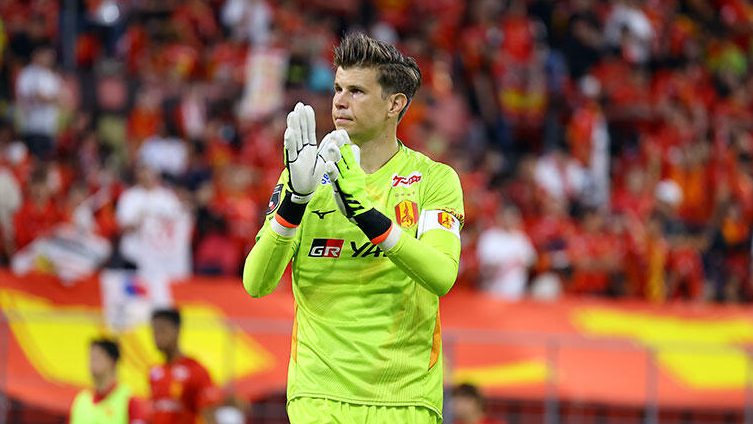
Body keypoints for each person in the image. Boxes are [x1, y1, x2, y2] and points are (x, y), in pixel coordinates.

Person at [243, 33, 464, 423]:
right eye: (338, 89)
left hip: (405, 397)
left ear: (394, 104)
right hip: (318, 395)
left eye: (357, 91)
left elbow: (442, 276)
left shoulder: (434, 179)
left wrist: (367, 216)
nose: (340, 101)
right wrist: (295, 200)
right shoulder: (304, 175)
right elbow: (256, 283)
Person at [149, 308, 221, 424]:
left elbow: (209, 413)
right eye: (154, 331)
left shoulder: (195, 370)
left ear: (177, 330)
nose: (157, 336)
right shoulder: (154, 372)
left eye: (162, 330)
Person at [69, 338, 145, 424]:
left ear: (112, 361)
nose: (92, 362)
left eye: (97, 357)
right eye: (90, 357)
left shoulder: (128, 400)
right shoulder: (81, 401)